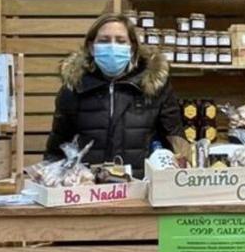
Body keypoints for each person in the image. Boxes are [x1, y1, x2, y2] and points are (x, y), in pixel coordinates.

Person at [44, 14, 186, 178]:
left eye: (120, 41)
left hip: (141, 189)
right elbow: (57, 149)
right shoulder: (74, 88)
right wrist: (52, 179)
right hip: (87, 188)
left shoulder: (155, 87)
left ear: (132, 47)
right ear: (91, 47)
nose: (112, 46)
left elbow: (176, 143)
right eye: (104, 40)